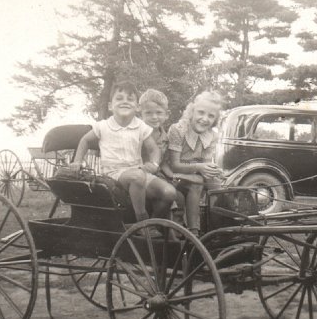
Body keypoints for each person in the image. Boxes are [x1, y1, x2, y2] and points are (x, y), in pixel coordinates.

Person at [71, 81, 177, 229]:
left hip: (137, 171)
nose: (125, 102)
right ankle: (141, 220)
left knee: (169, 192)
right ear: (110, 105)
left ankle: (152, 226)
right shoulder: (103, 126)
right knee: (137, 176)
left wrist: (153, 164)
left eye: (130, 99)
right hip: (112, 173)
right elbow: (85, 141)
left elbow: (154, 150)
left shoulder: (141, 126)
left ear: (137, 106)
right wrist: (77, 161)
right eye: (119, 98)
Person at [163, 91, 224, 235]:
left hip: (193, 172)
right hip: (172, 173)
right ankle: (193, 231)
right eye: (201, 113)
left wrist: (213, 170)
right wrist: (200, 168)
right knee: (197, 182)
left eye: (211, 116)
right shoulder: (178, 130)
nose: (205, 119)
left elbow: (206, 163)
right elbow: (174, 165)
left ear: (215, 119)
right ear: (192, 112)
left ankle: (218, 226)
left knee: (218, 184)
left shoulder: (211, 135)